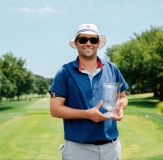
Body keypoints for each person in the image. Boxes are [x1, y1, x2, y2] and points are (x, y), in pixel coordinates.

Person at [49, 24, 128, 160]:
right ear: (76, 43)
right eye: (83, 39)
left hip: (111, 147)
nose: (88, 43)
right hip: (78, 149)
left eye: (93, 40)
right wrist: (87, 114)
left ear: (98, 43)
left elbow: (123, 97)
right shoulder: (64, 72)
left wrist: (120, 106)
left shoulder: (112, 68)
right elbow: (55, 110)